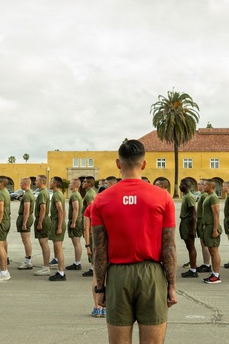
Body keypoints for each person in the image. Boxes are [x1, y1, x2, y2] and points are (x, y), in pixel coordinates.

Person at [92, 140, 176, 344]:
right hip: (152, 274)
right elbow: (169, 246)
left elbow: (99, 249)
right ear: (144, 164)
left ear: (118, 164)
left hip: (118, 275)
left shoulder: (101, 200)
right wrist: (172, 284)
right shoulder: (162, 197)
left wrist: (100, 287)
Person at [199, 178, 222, 284]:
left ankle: (216, 275)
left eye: (205, 185)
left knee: (214, 251)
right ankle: (214, 273)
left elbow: (216, 214)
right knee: (211, 251)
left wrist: (214, 229)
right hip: (208, 226)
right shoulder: (208, 196)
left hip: (212, 227)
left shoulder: (213, 197)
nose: (203, 186)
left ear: (211, 186)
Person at [48, 176, 68, 281]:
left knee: (58, 248)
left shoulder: (56, 195)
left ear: (55, 184)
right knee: (57, 248)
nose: (49, 183)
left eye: (51, 181)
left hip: (57, 222)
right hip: (57, 222)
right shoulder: (58, 194)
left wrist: (59, 226)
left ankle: (61, 273)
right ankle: (60, 271)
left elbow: (60, 211)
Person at [179, 179, 199, 278]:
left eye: (182, 184)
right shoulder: (186, 196)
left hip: (188, 223)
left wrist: (192, 228)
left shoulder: (189, 197)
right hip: (184, 222)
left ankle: (193, 270)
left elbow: (194, 214)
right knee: (189, 247)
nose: (180, 186)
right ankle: (192, 268)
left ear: (187, 185)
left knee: (191, 247)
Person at [33, 175, 52, 276]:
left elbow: (43, 208)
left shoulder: (42, 193)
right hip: (44, 219)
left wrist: (40, 222)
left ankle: (46, 267)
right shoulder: (45, 192)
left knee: (44, 243)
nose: (35, 182)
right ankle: (45, 266)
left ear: (41, 181)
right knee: (43, 243)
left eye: (36, 180)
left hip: (43, 220)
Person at [16, 177, 35, 270]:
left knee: (26, 240)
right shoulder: (27, 194)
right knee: (26, 240)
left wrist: (24, 223)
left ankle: (28, 261)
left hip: (26, 218)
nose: (20, 185)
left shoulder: (27, 195)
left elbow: (27, 209)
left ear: (25, 184)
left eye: (21, 183)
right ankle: (28, 259)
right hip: (26, 217)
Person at [82, 176, 98, 278]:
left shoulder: (89, 195)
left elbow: (91, 211)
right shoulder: (91, 193)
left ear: (89, 184)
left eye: (85, 182)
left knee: (91, 245)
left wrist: (90, 228)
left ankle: (93, 268)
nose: (82, 183)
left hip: (90, 224)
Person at [66, 178, 85, 271]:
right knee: (76, 242)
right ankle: (77, 262)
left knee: (76, 242)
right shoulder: (77, 194)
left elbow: (76, 209)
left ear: (74, 185)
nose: (69, 185)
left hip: (76, 221)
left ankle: (77, 263)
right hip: (78, 220)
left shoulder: (74, 195)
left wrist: (73, 222)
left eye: (70, 183)